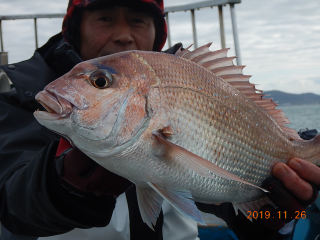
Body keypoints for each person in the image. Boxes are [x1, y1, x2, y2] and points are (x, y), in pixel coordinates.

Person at [0, 0, 319, 239]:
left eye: (137, 19)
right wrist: (59, 183)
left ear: (157, 30)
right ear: (75, 27)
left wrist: (275, 217)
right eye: (105, 17)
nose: (123, 34)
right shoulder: (20, 101)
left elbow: (225, 206)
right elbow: (9, 203)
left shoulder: (191, 84)